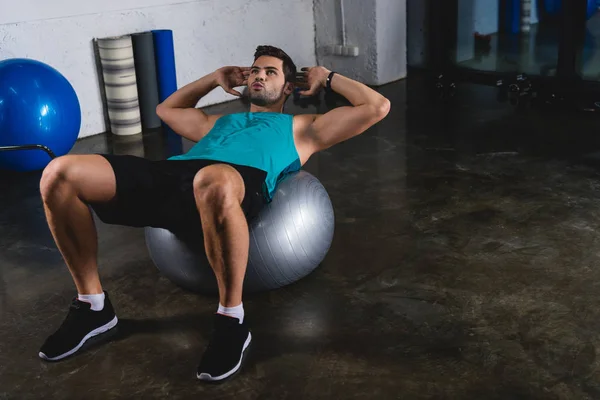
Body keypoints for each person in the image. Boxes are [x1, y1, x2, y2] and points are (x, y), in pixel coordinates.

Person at [37, 45, 390, 382]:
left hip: (233, 183)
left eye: (270, 72)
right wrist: (213, 78)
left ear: (289, 87)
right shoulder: (217, 123)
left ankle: (231, 321)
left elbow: (377, 106)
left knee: (213, 178)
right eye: (254, 71)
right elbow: (166, 111)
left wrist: (327, 77)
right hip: (175, 177)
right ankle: (93, 305)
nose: (259, 77)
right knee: (59, 173)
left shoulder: (303, 128)